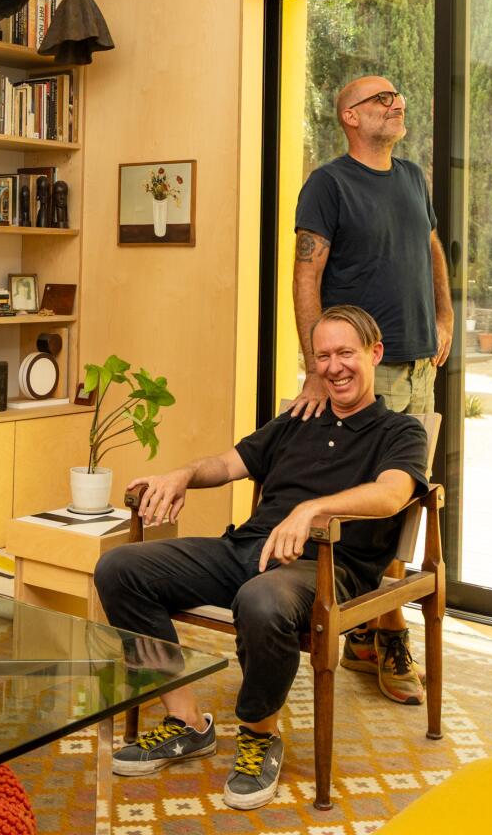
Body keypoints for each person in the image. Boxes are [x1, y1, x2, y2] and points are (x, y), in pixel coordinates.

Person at [94, 305, 428, 812]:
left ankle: (258, 734)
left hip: (325, 568)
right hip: (246, 549)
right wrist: (181, 474)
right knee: (120, 569)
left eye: (345, 353)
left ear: (374, 353)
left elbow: (390, 494)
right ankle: (186, 723)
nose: (334, 367)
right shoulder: (300, 418)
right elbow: (228, 464)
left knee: (261, 600)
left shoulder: (399, 431)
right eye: (322, 357)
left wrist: (312, 509)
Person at [292, 75, 453, 704]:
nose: (398, 103)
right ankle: (386, 633)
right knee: (368, 504)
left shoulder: (412, 177)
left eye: (399, 96)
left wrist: (443, 318)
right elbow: (308, 273)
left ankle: (369, 634)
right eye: (383, 98)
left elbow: (432, 248)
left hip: (418, 370)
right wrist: (313, 363)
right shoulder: (328, 184)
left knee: (407, 502)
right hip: (365, 372)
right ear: (351, 116)